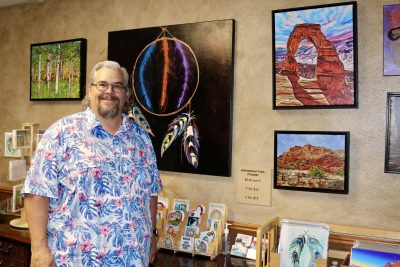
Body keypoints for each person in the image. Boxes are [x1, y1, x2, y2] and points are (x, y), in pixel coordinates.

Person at [22, 60, 163, 267]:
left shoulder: (141, 139)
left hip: (132, 258)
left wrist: (151, 235)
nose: (109, 91)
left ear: (126, 94)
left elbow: (150, 192)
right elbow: (36, 192)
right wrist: (39, 249)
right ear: (90, 91)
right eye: (102, 85)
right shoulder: (61, 133)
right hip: (76, 258)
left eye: (117, 86)